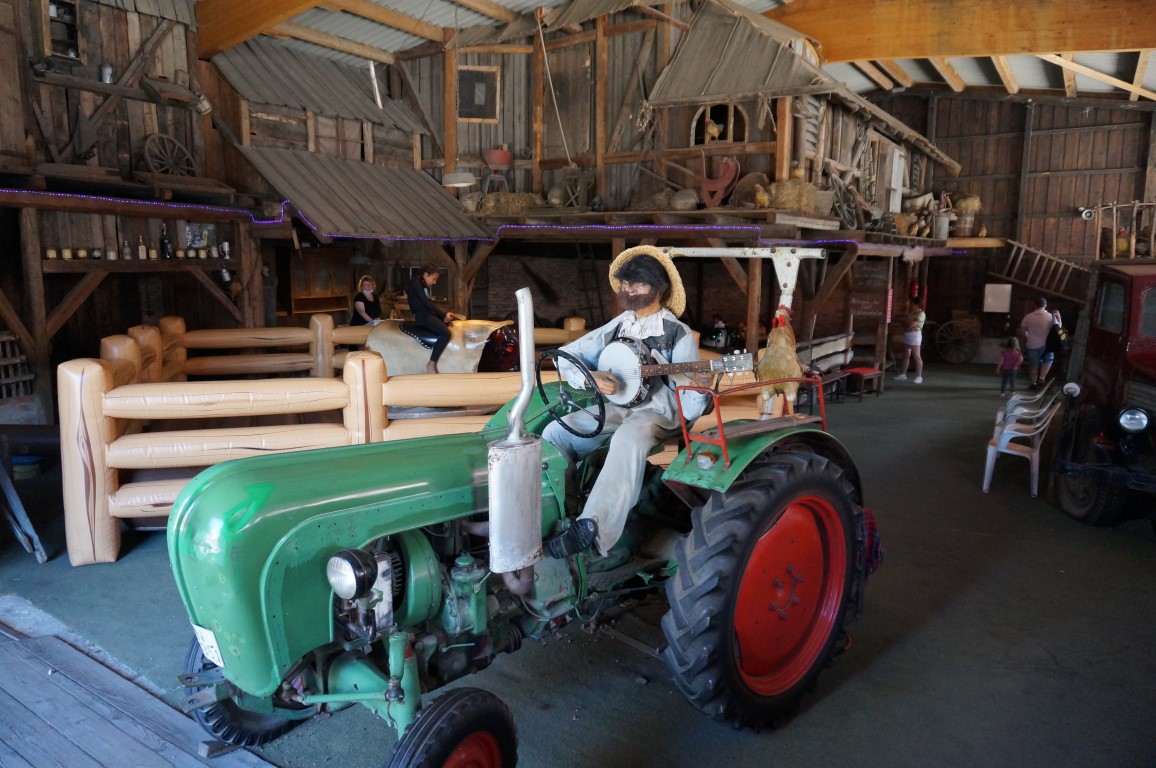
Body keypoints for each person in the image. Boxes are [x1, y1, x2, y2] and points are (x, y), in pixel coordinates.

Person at [542, 246, 713, 559]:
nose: (629, 290)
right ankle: (564, 512)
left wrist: (698, 387)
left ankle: (594, 530)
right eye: (626, 284)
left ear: (659, 289)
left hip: (660, 413)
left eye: (639, 284)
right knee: (556, 431)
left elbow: (689, 408)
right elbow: (567, 355)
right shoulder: (620, 325)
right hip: (620, 407)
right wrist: (590, 376)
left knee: (628, 438)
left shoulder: (678, 334)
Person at [406, 265, 463, 374]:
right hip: (422, 317)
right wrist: (443, 314)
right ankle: (431, 363)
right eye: (434, 279)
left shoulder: (421, 284)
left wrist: (443, 316)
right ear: (425, 275)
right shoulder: (415, 284)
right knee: (446, 333)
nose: (435, 282)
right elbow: (426, 303)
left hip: (427, 314)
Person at [1019, 297, 1061, 388]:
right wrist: (1058, 316)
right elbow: (1058, 328)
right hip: (1047, 345)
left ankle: (1033, 383)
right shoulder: (1051, 316)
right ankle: (1042, 379)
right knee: (1048, 361)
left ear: (1035, 305)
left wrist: (1028, 337)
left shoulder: (1028, 317)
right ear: (1045, 305)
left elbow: (1022, 330)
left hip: (1032, 344)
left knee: (1033, 365)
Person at [895, 297, 926, 383]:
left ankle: (919, 377)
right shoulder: (912, 313)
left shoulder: (921, 314)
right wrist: (907, 324)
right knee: (906, 355)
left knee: (916, 356)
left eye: (912, 303)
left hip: (915, 335)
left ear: (916, 304)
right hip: (908, 334)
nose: (911, 305)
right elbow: (906, 322)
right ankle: (903, 374)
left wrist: (908, 324)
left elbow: (913, 323)